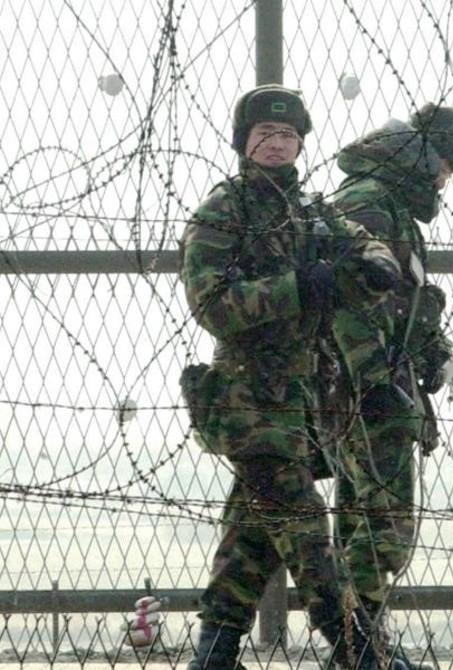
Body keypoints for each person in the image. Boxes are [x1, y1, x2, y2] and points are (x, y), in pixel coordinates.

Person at [179, 84, 404, 670]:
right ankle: (367, 656)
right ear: (243, 143)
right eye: (264, 135)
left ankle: (213, 656)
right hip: (247, 399)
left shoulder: (309, 212)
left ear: (300, 143)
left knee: (250, 539)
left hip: (300, 400)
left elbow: (359, 249)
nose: (276, 144)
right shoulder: (223, 211)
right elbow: (213, 304)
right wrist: (301, 287)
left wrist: (371, 260)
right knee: (307, 539)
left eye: (287, 135)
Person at [327, 103, 453, 669]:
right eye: (445, 166)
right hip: (365, 393)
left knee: (367, 523)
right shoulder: (369, 203)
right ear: (425, 157)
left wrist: (433, 352)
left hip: (375, 386)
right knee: (381, 527)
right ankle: (361, 652)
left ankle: (360, 647)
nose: (445, 180)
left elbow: (402, 302)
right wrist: (375, 381)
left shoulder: (386, 204)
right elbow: (349, 301)